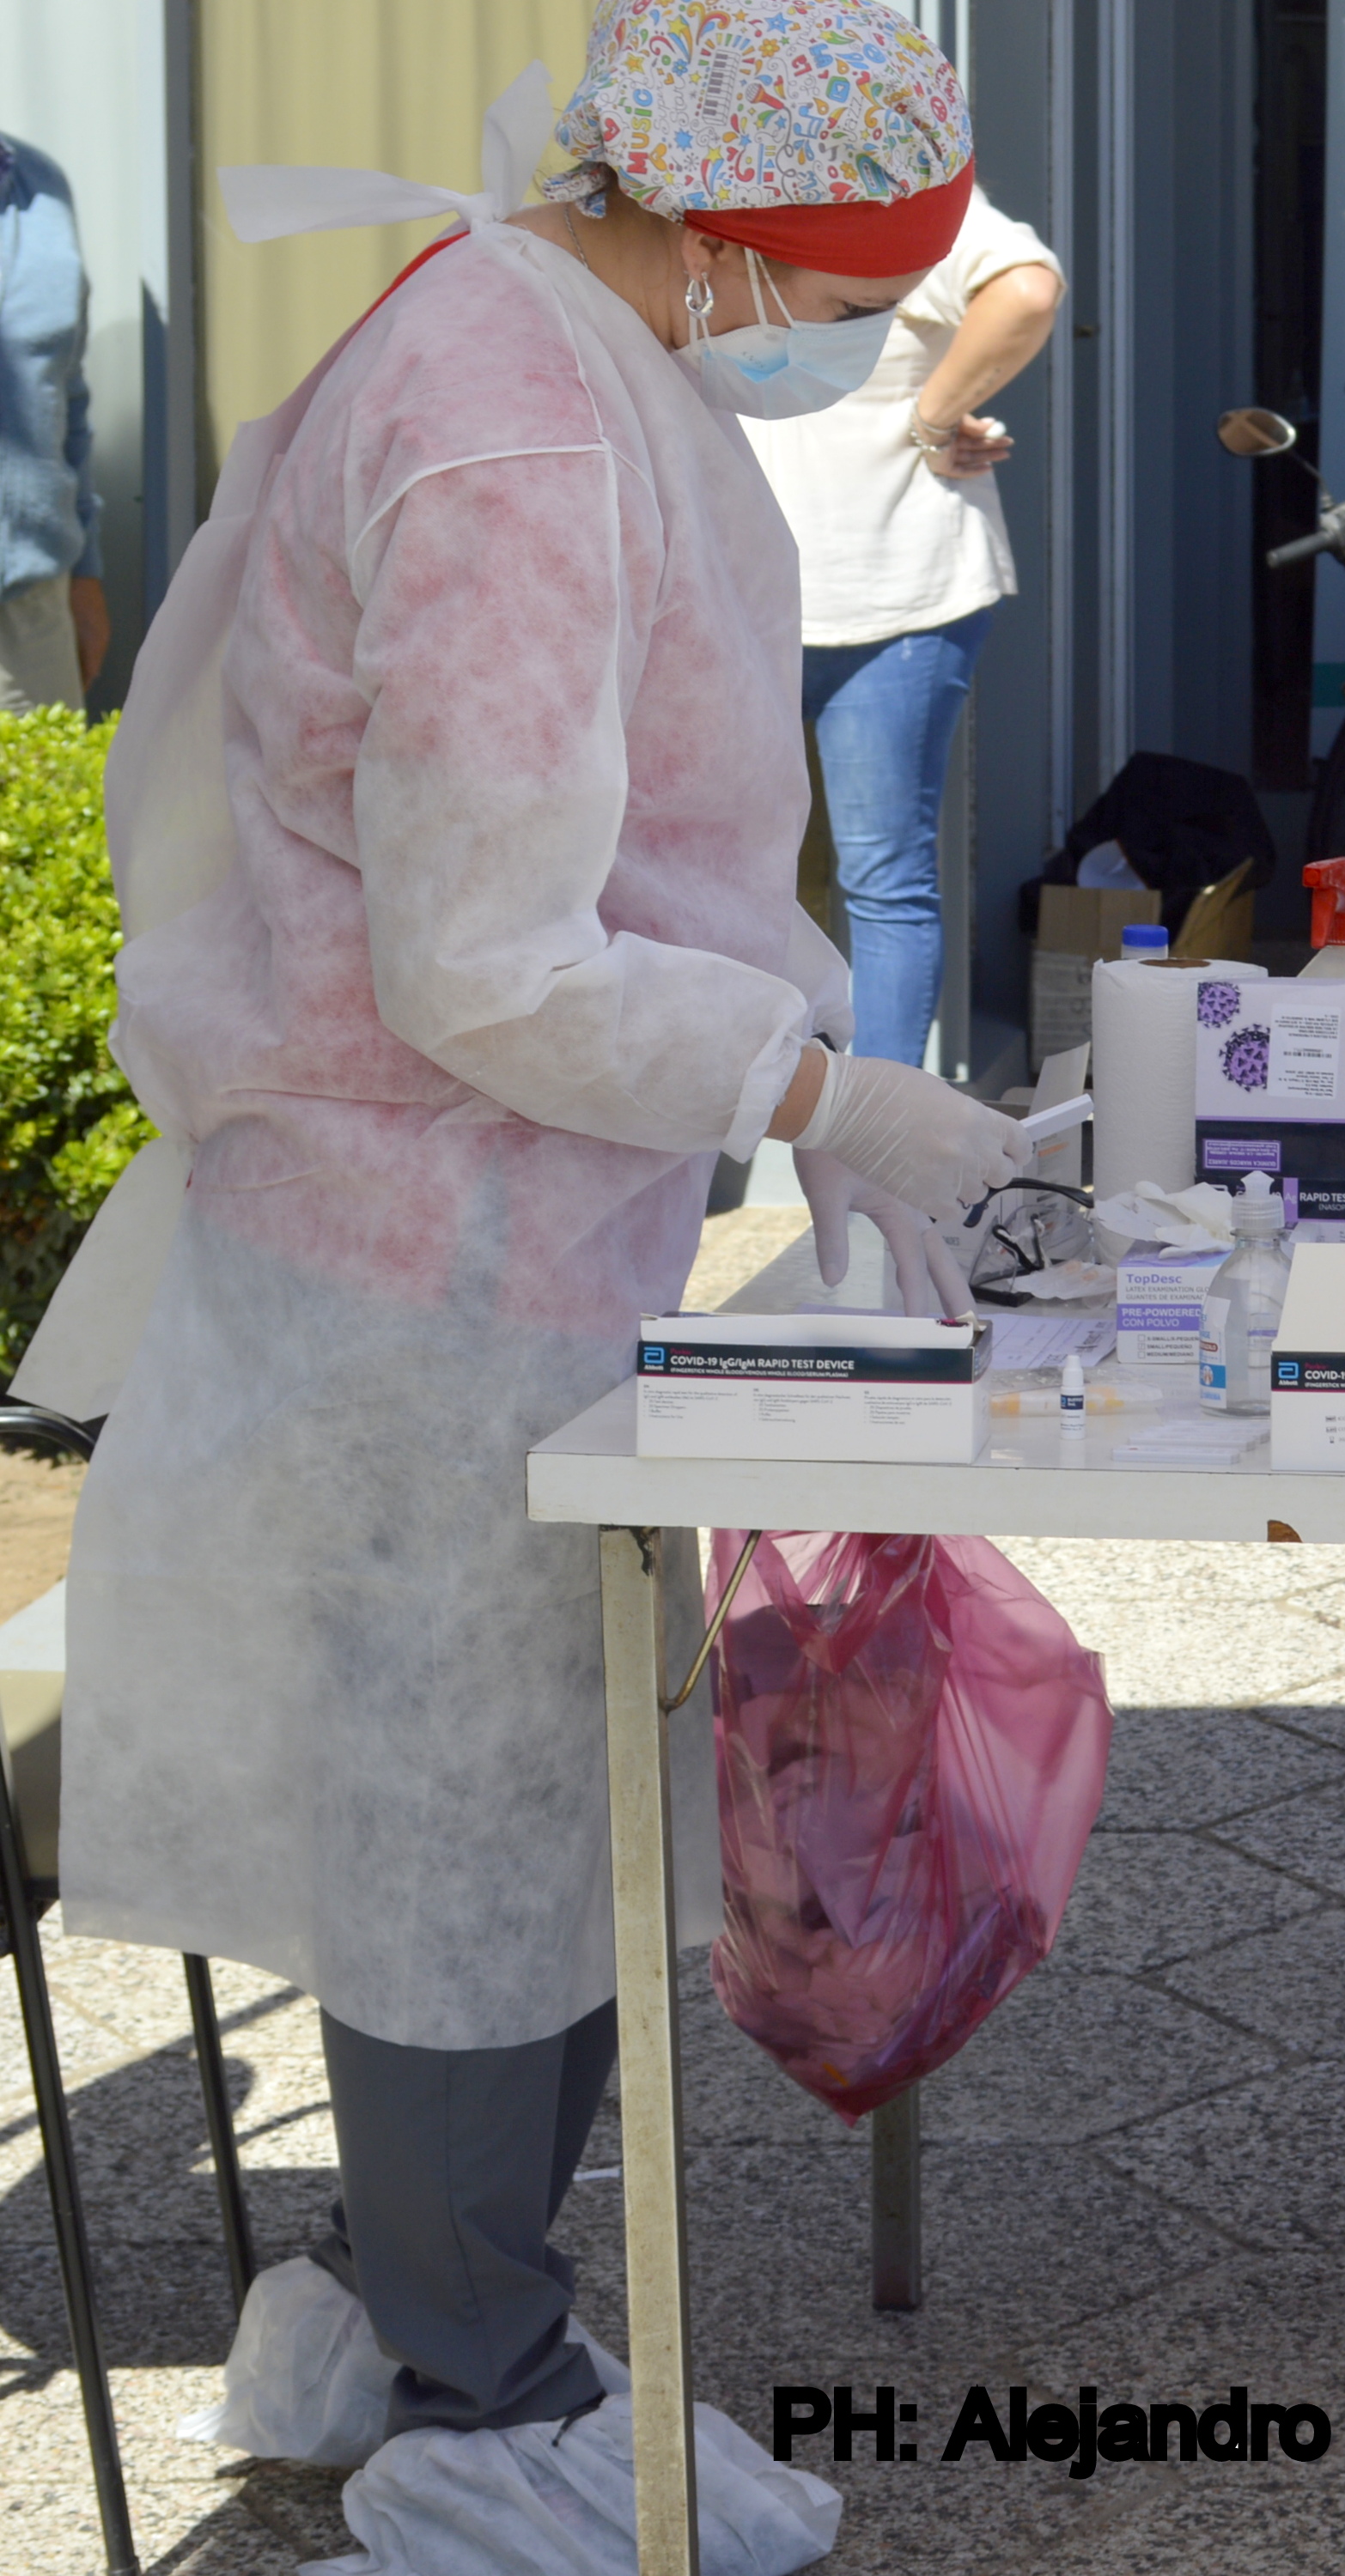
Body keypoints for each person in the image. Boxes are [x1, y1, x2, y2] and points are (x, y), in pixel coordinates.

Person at [62, 14, 1022, 2567]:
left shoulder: (536, 332)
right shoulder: (505, 418)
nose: (835, 346)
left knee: (524, 1812)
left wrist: (792, 1045)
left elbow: (637, 855)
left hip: (483, 1224)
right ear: (721, 238)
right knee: (468, 1847)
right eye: (833, 298)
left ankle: (439, 2310)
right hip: (428, 1254)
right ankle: (475, 2394)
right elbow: (488, 954)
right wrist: (828, 1096)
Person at [741, 183, 1062, 1065]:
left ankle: (845, 1149)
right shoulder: (851, 189)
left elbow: (1028, 290)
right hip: (861, 589)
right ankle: (869, 1160)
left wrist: (929, 419)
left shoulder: (883, 190)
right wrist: (932, 417)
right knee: (879, 885)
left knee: (746, 876)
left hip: (862, 590)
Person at [0, 129, 106, 711]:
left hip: (33, 604)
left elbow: (66, 394)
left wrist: (85, 573)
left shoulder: (40, 185)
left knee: (47, 799)